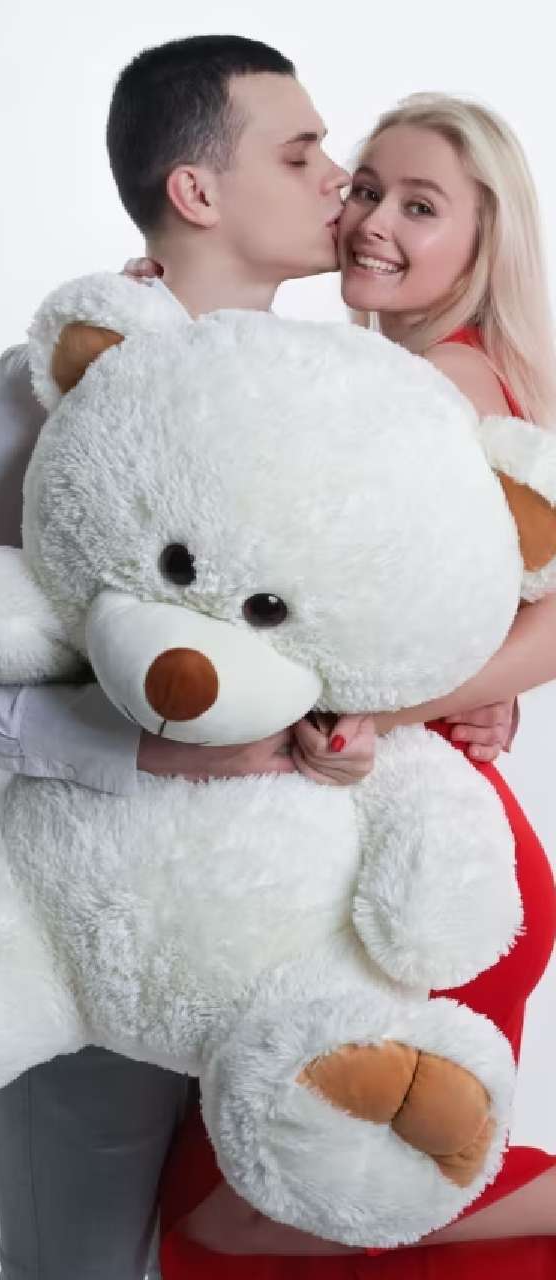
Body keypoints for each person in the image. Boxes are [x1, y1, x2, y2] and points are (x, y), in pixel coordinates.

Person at [0, 34, 520, 1280]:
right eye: (303, 152)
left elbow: (360, 621)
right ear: (197, 191)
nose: (339, 180)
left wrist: (448, 702)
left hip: (298, 959)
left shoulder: (324, 394)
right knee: (84, 1262)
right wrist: (141, 751)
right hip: (93, 927)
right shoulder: (53, 382)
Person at [155, 94, 556, 1277]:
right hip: (414, 852)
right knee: (300, 1206)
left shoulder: (445, 380)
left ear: (484, 239)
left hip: (419, 869)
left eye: (421, 206)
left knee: (249, 1209)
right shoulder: (413, 372)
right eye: (368, 188)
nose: (375, 220)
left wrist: (388, 704)